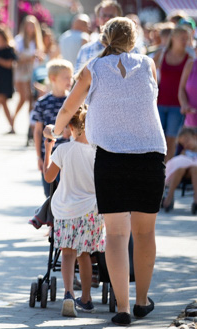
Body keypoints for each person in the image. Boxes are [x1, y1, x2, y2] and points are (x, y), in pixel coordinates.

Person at [44, 17, 165, 326]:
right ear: (134, 39)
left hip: (111, 158)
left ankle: (122, 308)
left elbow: (68, 109)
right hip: (149, 155)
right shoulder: (149, 64)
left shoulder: (92, 70)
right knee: (144, 232)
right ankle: (141, 302)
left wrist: (55, 132)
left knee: (116, 234)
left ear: (103, 38)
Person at [43, 105, 106, 317]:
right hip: (90, 210)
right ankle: (86, 299)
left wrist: (48, 149)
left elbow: (49, 177)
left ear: (70, 127)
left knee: (67, 253)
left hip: (65, 209)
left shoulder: (63, 150)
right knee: (85, 254)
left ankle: (68, 294)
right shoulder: (99, 154)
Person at [31, 59, 74, 197]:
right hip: (49, 156)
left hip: (69, 157)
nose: (70, 80)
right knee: (49, 195)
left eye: (71, 76)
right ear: (53, 78)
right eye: (66, 77)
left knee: (66, 194)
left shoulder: (73, 102)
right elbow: (38, 131)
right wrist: (39, 156)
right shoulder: (42, 103)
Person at [155, 24, 190, 161]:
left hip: (177, 105)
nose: (185, 42)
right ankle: (158, 169)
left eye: (187, 39)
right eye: (182, 38)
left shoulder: (190, 57)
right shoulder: (162, 54)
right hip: (159, 102)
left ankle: (166, 173)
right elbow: (147, 72)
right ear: (173, 38)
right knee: (158, 139)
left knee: (171, 139)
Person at [74, 0, 123, 71]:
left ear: (120, 19)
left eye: (111, 16)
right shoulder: (86, 51)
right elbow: (78, 79)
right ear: (97, 20)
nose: (107, 19)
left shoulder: (130, 50)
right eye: (104, 15)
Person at [13, 15, 44, 123]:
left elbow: (38, 59)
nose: (30, 27)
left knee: (30, 98)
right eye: (28, 25)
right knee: (24, 98)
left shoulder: (37, 41)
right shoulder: (19, 40)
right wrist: (30, 57)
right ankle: (13, 119)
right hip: (22, 71)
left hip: (33, 72)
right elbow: (17, 57)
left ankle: (29, 124)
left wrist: (39, 58)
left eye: (32, 25)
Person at [161, 126, 197, 214]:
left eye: (187, 141)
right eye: (183, 144)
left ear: (195, 137)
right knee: (180, 168)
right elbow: (179, 161)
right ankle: (169, 196)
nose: (186, 145)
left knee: (194, 168)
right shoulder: (184, 152)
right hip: (183, 172)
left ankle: (196, 197)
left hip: (194, 172)